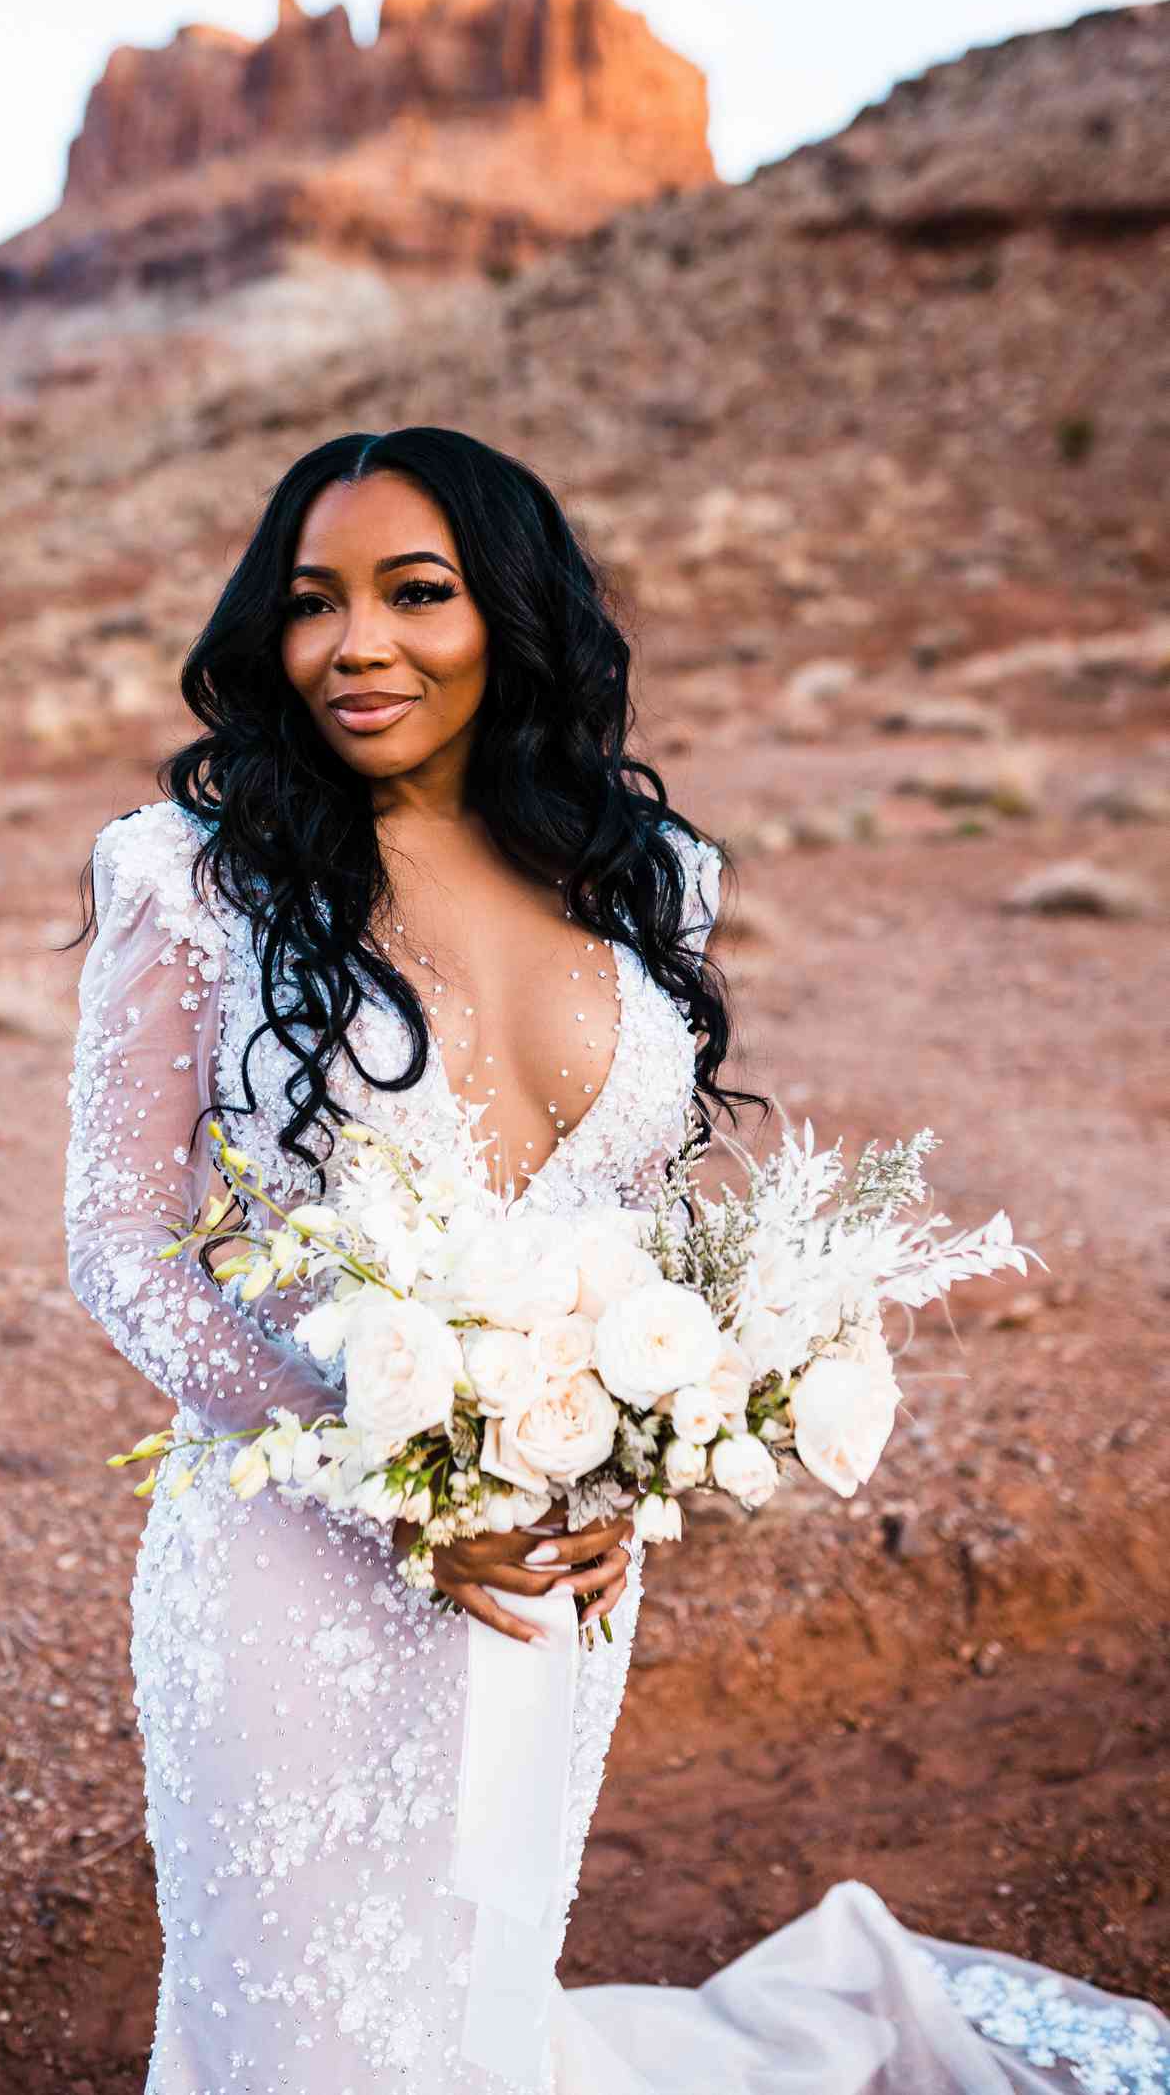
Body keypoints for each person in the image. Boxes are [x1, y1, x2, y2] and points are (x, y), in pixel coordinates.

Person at [64, 427, 1169, 2094]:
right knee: (304, 2028)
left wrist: (638, 1455)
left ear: (510, 611)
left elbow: (633, 1237)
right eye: (311, 603)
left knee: (482, 1989)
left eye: (414, 593)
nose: (355, 643)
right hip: (292, 1551)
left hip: (563, 1546)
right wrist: (391, 1472)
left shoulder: (649, 880)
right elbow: (124, 1244)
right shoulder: (197, 881)